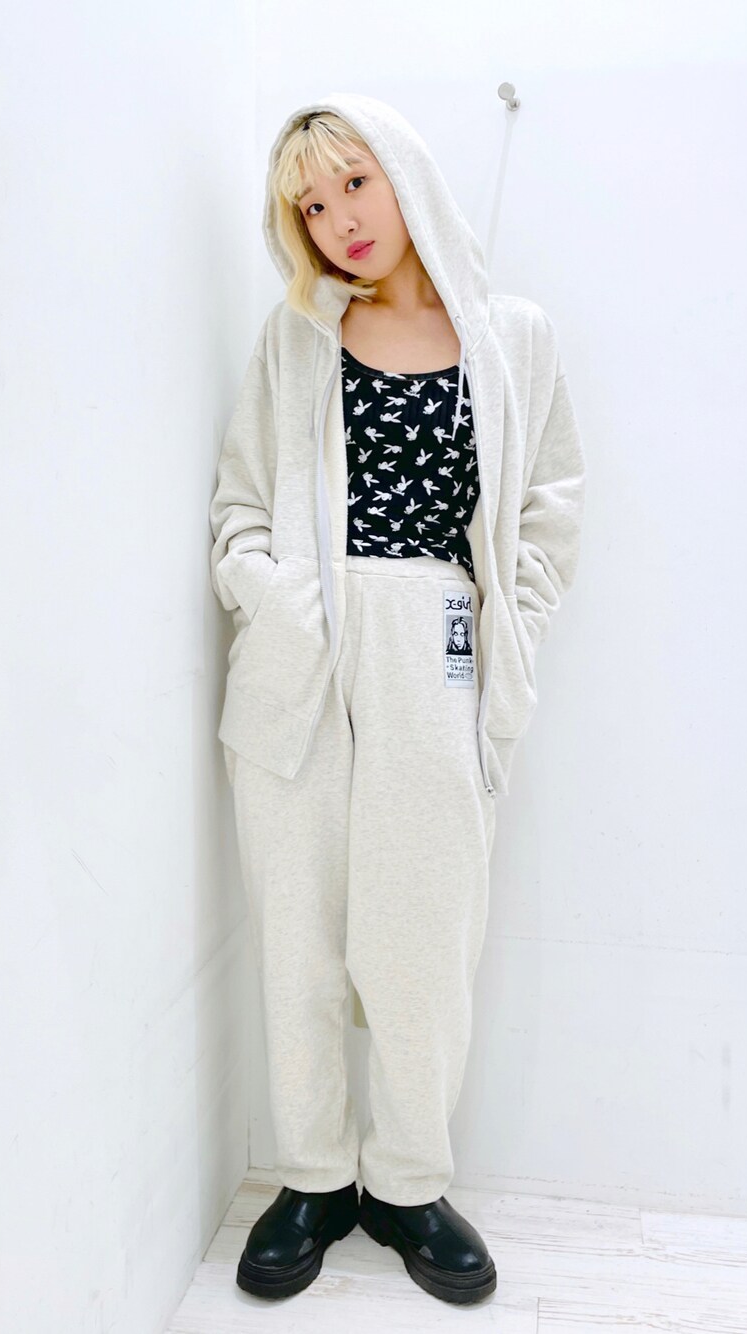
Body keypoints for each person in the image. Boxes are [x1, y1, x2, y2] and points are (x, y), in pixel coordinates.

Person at [208, 92, 586, 1306]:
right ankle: (315, 1176)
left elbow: (549, 512)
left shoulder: (511, 337)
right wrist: (274, 597)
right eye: (311, 205)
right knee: (299, 926)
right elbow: (240, 505)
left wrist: (510, 626)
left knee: (422, 933)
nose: (339, 219)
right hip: (302, 656)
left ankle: (408, 1182)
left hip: (438, 652)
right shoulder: (296, 341)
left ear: (405, 173)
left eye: (354, 183)